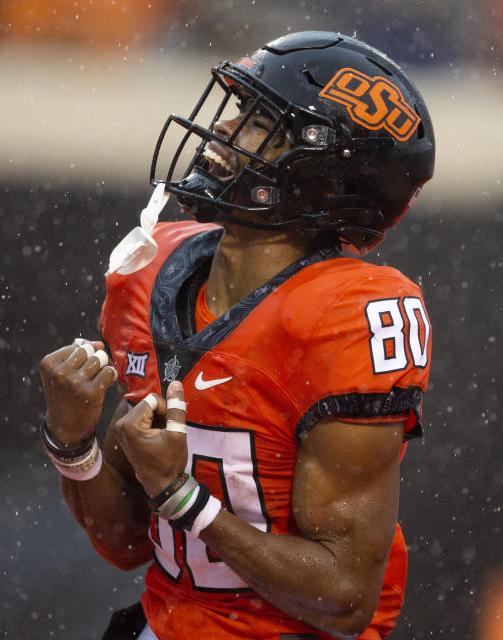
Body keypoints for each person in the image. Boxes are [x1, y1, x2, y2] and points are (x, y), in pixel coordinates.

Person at [38, 31, 435, 640]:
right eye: (238, 110)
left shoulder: (348, 315)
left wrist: (182, 497)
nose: (223, 129)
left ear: (323, 177)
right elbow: (125, 544)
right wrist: (73, 445)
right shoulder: (153, 273)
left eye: (259, 123)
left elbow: (345, 597)